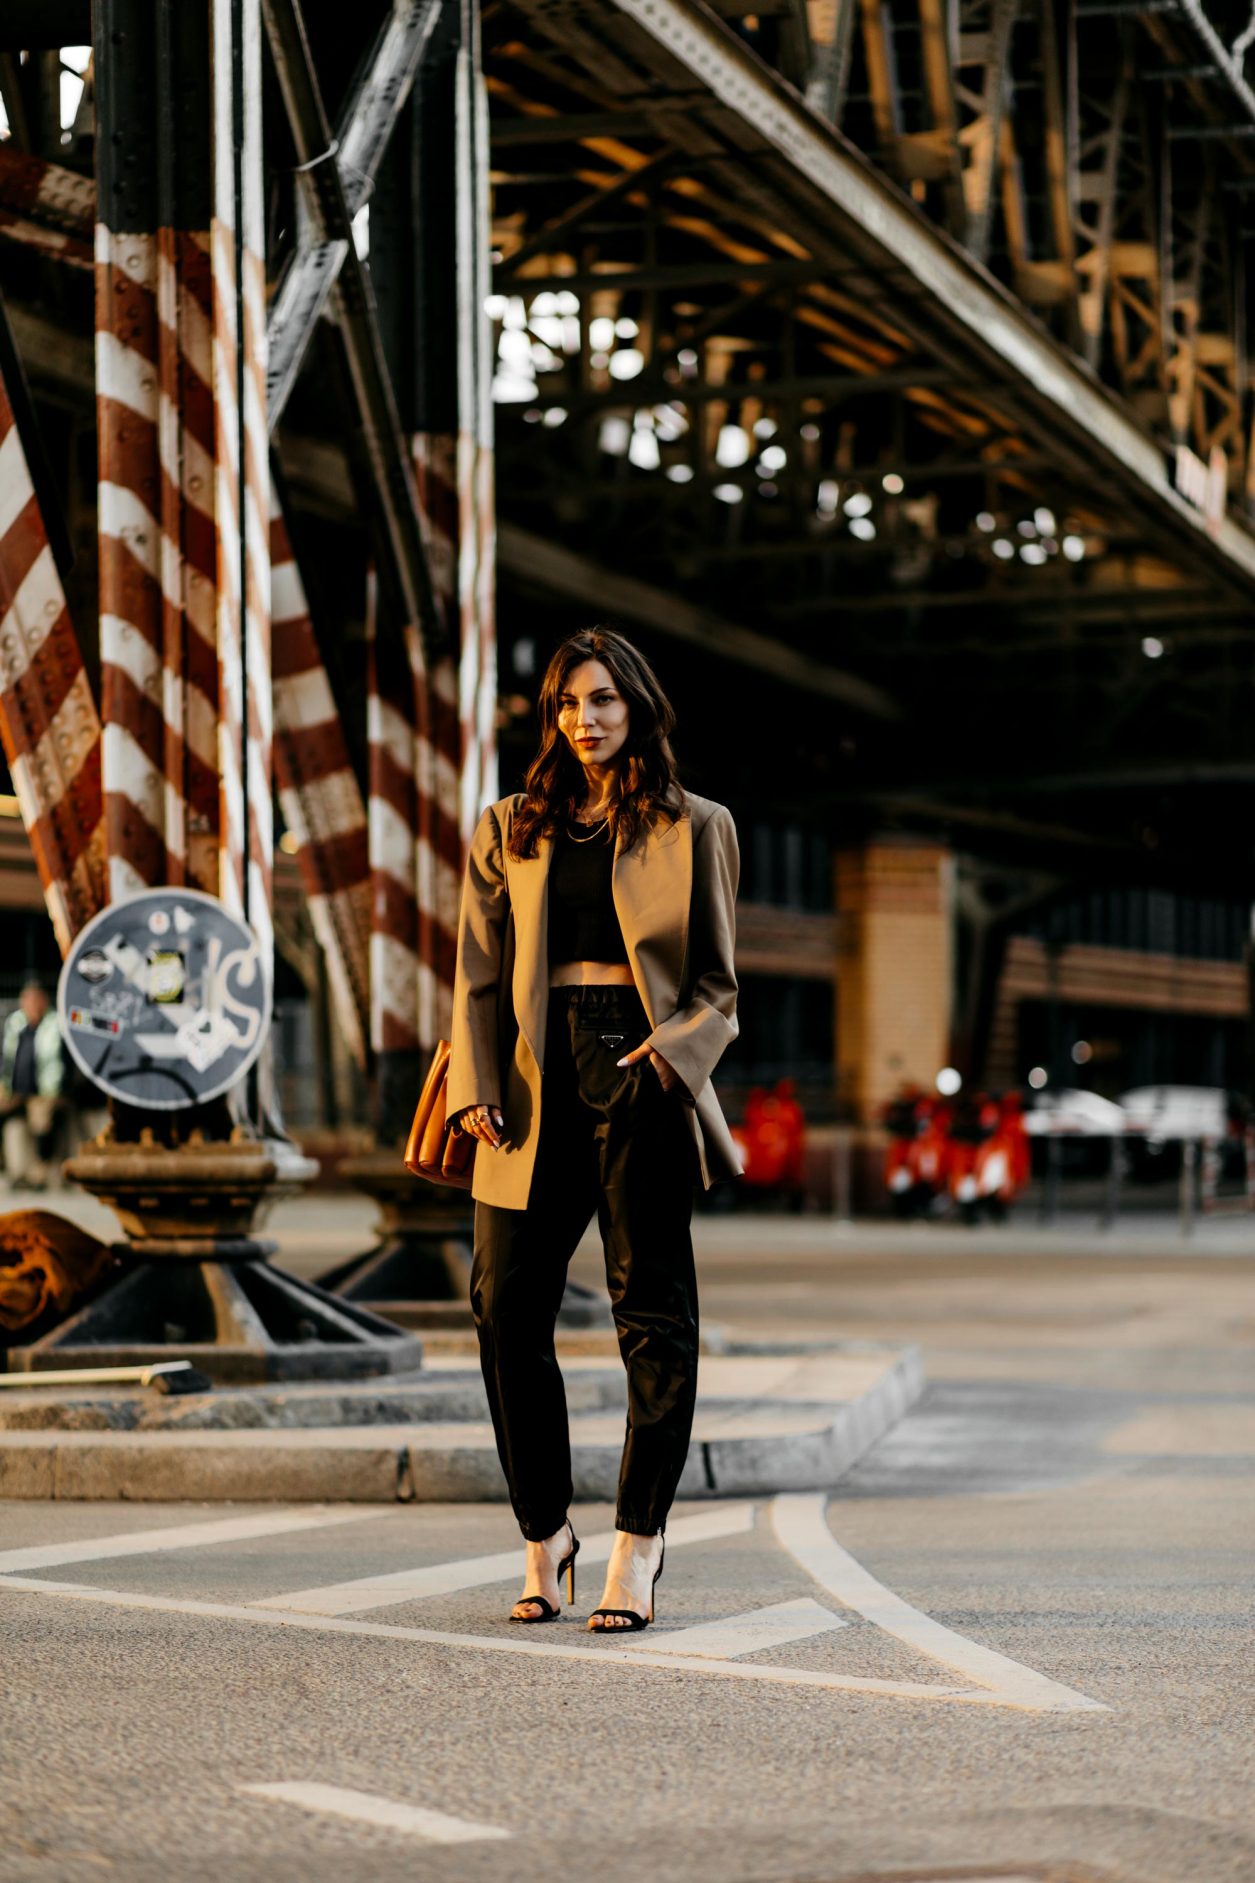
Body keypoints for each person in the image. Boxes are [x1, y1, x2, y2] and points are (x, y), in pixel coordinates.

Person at [447, 626, 741, 1631]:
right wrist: (476, 1082)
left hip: (637, 1068)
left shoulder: (696, 825)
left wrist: (670, 1054)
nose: (586, 718)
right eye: (569, 703)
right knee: (502, 1305)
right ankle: (544, 1533)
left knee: (649, 1313)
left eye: (604, 699)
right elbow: (475, 972)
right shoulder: (508, 826)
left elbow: (718, 987)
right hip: (529, 1080)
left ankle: (637, 1544)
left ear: (637, 707)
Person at [0, 979, 65, 1191]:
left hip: (44, 1090)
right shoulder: (16, 1023)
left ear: (44, 1001)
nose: (32, 1006)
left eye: (36, 1001)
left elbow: (60, 1063)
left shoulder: (55, 1023)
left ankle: (39, 1172)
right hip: (15, 1089)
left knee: (41, 1120)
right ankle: (9, 1167)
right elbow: (6, 1057)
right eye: (27, 1001)